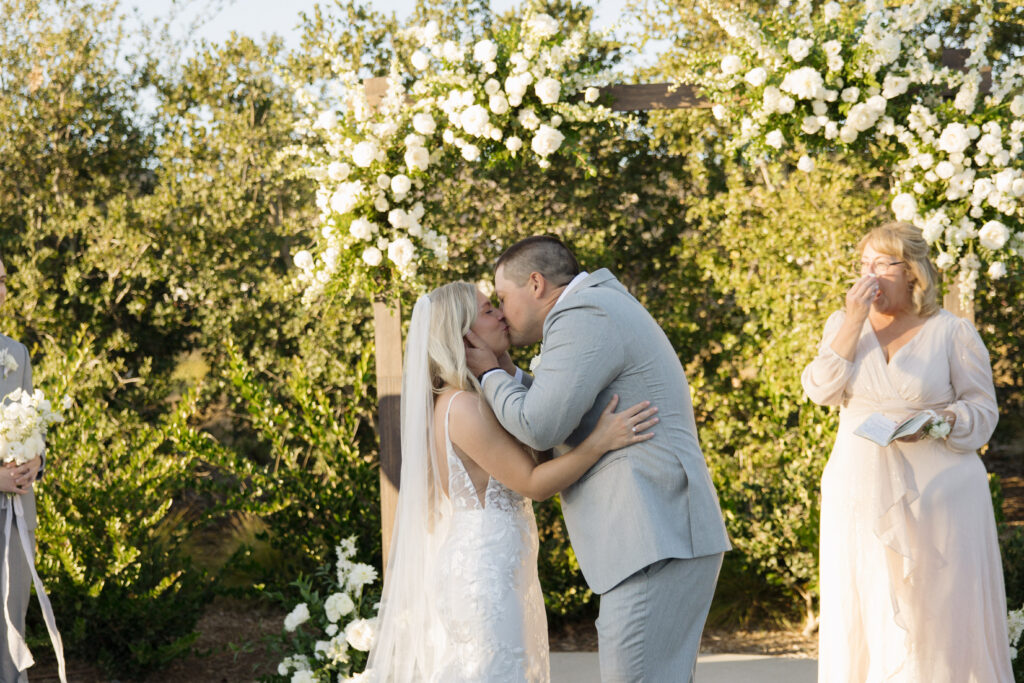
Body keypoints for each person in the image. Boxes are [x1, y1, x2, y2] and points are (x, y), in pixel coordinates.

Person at [465, 236, 731, 682]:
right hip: (658, 533)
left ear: (536, 284)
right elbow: (555, 405)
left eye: (503, 298)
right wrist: (508, 373)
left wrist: (490, 373)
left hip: (655, 532)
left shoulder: (582, 315)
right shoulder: (595, 305)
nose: (503, 314)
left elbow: (540, 427)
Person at [366, 281, 659, 683]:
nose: (502, 315)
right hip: (484, 573)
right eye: (489, 311)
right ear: (464, 334)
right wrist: (600, 443)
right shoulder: (463, 407)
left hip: (504, 566)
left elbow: (538, 444)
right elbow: (534, 483)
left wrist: (502, 372)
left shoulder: (479, 396)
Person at [802, 221, 1012, 682]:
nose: (869, 273)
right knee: (866, 600)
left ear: (911, 270)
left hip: (939, 494)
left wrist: (939, 422)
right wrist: (853, 322)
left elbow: (982, 409)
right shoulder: (843, 325)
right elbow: (820, 389)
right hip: (857, 492)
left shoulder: (951, 331)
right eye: (863, 264)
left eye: (881, 263)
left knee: (934, 611)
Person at [0, 255, 45, 683]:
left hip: (14, 520)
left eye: (0, 281)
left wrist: (35, 462)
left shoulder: (16, 353)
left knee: (12, 632)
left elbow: (32, 427)